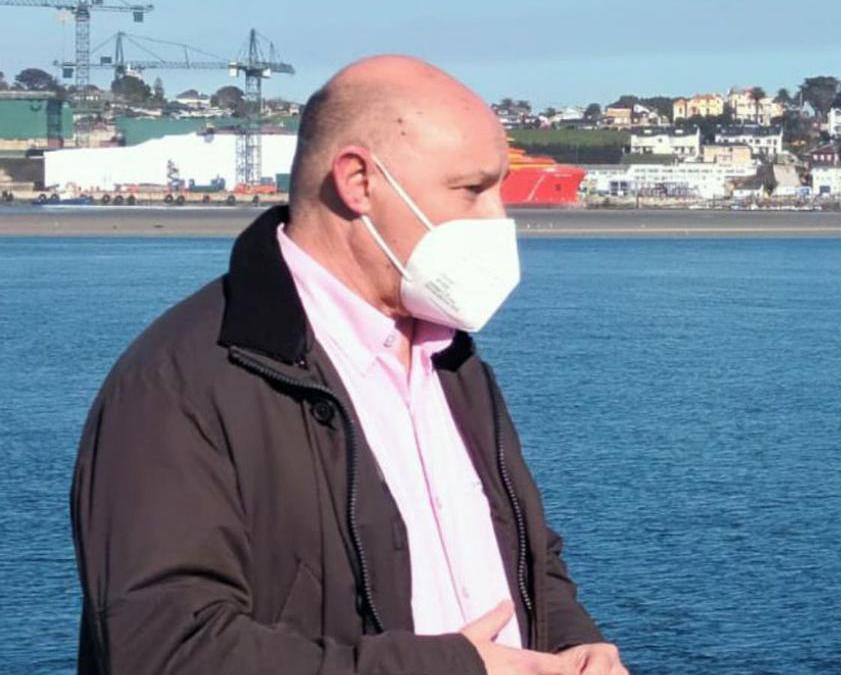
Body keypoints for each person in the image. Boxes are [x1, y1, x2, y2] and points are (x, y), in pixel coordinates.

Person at [71, 55, 626, 675]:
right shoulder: (178, 385)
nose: (499, 221)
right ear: (359, 181)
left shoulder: (451, 359)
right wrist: (448, 669)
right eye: (472, 191)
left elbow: (527, 559)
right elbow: (163, 652)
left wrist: (577, 649)